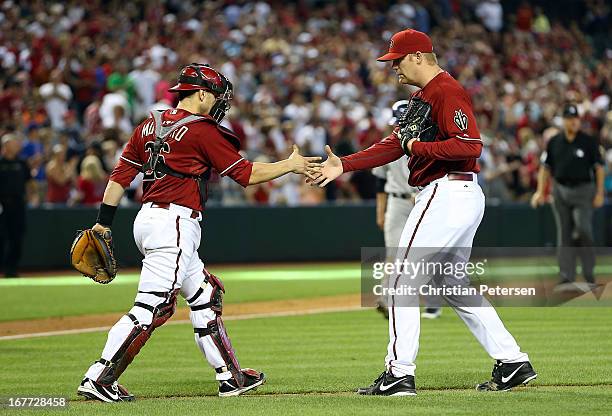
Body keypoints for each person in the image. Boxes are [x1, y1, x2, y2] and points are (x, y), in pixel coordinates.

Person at [309, 29, 536, 395]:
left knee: (401, 280)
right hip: (454, 193)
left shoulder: (446, 91)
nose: (393, 68)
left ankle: (399, 372)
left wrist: (419, 145)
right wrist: (345, 165)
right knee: (451, 284)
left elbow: (469, 145)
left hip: (446, 191)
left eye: (397, 60)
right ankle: (512, 361)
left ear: (417, 56)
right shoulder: (423, 97)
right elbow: (393, 145)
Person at [77, 63, 321, 402]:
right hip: (174, 223)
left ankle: (229, 377)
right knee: (153, 307)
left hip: (148, 220)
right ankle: (100, 377)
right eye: (218, 95)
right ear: (202, 94)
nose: (221, 103)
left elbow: (120, 176)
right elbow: (246, 174)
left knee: (206, 294)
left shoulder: (150, 124)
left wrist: (103, 222)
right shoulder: (202, 129)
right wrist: (290, 165)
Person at [372, 100, 441, 320]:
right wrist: (380, 212)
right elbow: (379, 182)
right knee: (393, 253)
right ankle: (387, 299)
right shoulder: (388, 144)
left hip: (422, 200)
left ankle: (431, 303)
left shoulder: (428, 144)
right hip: (397, 202)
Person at [531, 103, 604, 288]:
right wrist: (540, 191)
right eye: (569, 118)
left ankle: (588, 272)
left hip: (583, 190)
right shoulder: (554, 141)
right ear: (563, 121)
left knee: (583, 229)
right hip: (560, 189)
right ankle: (566, 275)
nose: (573, 122)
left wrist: (599, 193)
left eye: (575, 118)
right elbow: (545, 168)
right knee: (564, 233)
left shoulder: (588, 141)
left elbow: (599, 168)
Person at [0, 134, 32, 277]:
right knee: (2, 237)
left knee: (17, 237)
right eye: (14, 144)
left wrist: (32, 197)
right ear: (5, 146)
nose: (17, 146)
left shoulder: (22, 163)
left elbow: (30, 182)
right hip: (2, 205)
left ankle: (11, 269)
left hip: (18, 204)